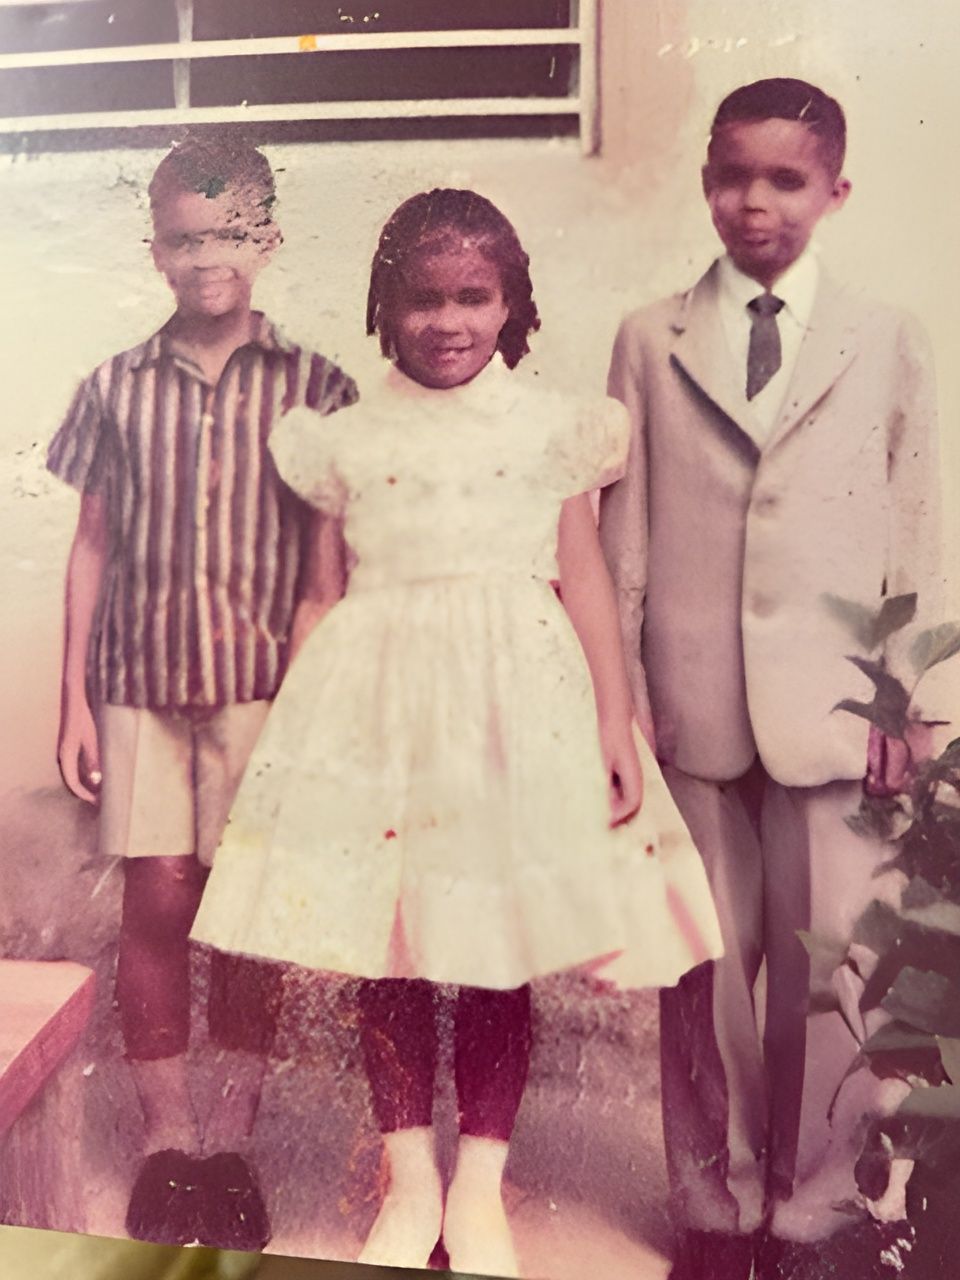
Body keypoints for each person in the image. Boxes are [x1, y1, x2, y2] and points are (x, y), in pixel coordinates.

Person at [190, 188, 722, 1276]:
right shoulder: (345, 438)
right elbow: (320, 595)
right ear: (385, 307)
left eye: (473, 298)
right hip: (377, 716)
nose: (448, 322)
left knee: (493, 950)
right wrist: (295, 749)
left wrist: (613, 722)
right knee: (386, 949)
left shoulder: (551, 428)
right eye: (423, 300)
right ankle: (408, 1182)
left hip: (508, 716)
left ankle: (479, 1189)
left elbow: (583, 582)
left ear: (511, 304)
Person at [598, 78, 943, 1280]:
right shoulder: (650, 338)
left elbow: (916, 526)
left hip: (837, 706)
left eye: (786, 180)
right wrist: (622, 700)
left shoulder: (885, 336)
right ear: (706, 183)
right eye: (734, 176)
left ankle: (816, 1210)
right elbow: (623, 538)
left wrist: (912, 699)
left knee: (830, 963)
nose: (757, 202)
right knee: (703, 964)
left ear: (835, 190)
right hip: (690, 703)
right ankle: (712, 1201)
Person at [47, 134, 357, 1250]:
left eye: (229, 235)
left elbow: (329, 566)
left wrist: (317, 712)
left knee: (245, 916)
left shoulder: (318, 387)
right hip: (140, 681)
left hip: (261, 689)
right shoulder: (113, 387)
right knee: (159, 901)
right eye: (184, 239)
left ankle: (231, 1140)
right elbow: (90, 546)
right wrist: (74, 699)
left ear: (267, 240)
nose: (206, 257)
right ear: (154, 250)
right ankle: (166, 1140)